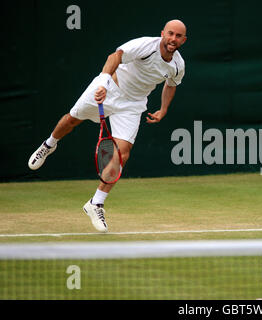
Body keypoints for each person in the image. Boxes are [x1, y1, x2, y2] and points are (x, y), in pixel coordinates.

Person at [27, 20, 187, 233]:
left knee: (123, 153)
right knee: (72, 120)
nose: (173, 39)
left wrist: (163, 109)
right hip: (110, 87)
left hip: (132, 105)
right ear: (162, 34)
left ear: (183, 40)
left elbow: (171, 84)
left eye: (178, 36)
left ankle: (96, 203)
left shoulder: (178, 65)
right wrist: (103, 83)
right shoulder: (145, 46)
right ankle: (49, 144)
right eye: (170, 34)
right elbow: (115, 56)